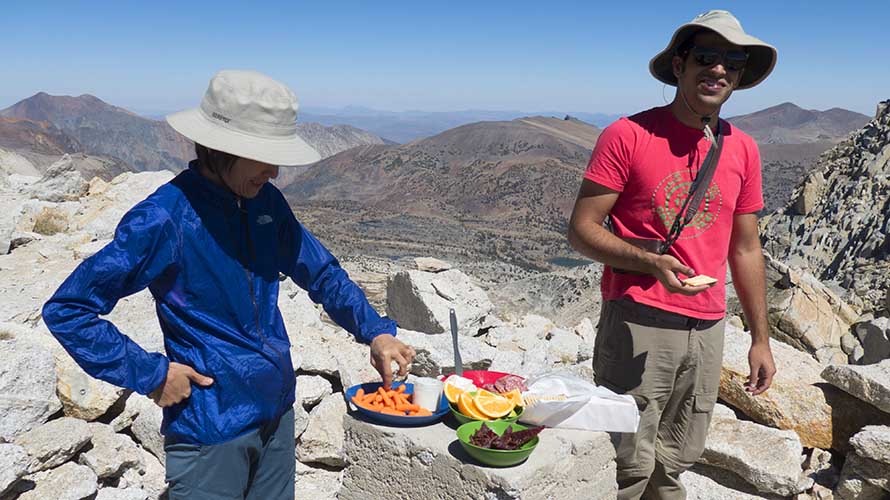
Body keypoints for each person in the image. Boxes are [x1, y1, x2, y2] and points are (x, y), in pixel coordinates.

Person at [42, 69, 416, 500]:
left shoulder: (266, 204)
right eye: (264, 157)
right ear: (222, 149)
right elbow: (69, 309)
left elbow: (321, 272)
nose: (274, 172)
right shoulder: (164, 218)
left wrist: (376, 331)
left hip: (276, 414)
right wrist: (152, 374)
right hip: (210, 428)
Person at [567, 10, 777, 500]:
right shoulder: (628, 135)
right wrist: (652, 264)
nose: (719, 69)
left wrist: (760, 340)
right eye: (706, 56)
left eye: (733, 61)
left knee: (676, 459)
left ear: (741, 76)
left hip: (707, 328)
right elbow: (581, 230)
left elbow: (745, 248)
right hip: (638, 318)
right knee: (625, 459)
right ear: (679, 65)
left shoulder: (742, 149)